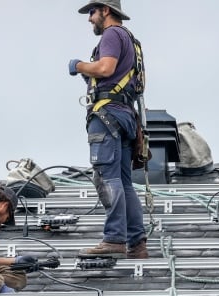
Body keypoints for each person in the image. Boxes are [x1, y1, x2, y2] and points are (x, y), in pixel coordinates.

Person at [68, 0, 148, 259]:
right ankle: (137, 244)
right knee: (124, 182)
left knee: (106, 176)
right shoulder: (131, 40)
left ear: (106, 10)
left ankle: (114, 238)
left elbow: (105, 68)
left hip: (107, 114)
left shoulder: (112, 34)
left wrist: (79, 66)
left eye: (92, 12)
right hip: (125, 116)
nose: (90, 18)